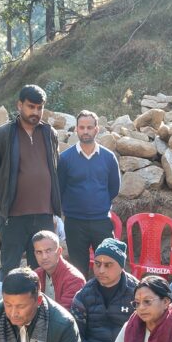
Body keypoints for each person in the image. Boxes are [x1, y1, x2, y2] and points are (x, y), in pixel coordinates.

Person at [0, 84, 61, 279]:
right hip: (14, 217)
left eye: (39, 107)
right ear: (19, 105)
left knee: (42, 269)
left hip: (44, 215)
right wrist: (8, 190)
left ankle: (40, 307)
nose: (35, 112)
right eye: (31, 106)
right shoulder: (2, 135)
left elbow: (54, 168)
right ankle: (8, 308)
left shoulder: (49, 134)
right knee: (10, 268)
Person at [57, 110, 121, 276]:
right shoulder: (65, 159)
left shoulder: (108, 157)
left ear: (96, 130)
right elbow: (59, 188)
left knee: (108, 264)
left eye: (89, 127)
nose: (85, 131)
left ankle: (107, 301)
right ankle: (80, 302)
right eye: (82, 127)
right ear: (76, 129)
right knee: (78, 270)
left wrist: (99, 205)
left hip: (101, 221)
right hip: (74, 223)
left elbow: (114, 188)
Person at [70, 238, 138, 342]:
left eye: (108, 265)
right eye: (97, 264)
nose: (101, 270)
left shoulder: (138, 294)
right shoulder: (83, 296)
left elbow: (145, 334)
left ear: (121, 266)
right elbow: (74, 335)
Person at [32, 230, 85, 310]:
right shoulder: (35, 275)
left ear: (59, 251)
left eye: (48, 251)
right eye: (39, 252)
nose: (44, 257)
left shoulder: (74, 279)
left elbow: (66, 316)